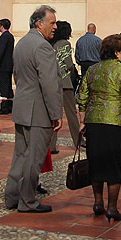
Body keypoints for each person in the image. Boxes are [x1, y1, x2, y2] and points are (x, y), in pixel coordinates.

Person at [77, 34, 121, 221]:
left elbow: (82, 97)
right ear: (117, 53)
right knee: (114, 165)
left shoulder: (92, 69)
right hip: (114, 123)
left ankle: (97, 202)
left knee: (96, 162)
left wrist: (82, 121)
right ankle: (112, 207)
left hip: (94, 122)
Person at [4, 5, 63, 214]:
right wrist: (57, 114)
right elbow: (49, 84)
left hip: (23, 107)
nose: (55, 26)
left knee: (20, 155)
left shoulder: (21, 43)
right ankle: (27, 201)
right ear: (39, 23)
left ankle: (12, 197)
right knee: (33, 159)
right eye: (52, 22)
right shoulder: (42, 46)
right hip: (38, 112)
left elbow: (18, 76)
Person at [49, 21, 81, 152]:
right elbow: (68, 63)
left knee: (55, 115)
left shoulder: (50, 44)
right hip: (65, 82)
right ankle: (79, 140)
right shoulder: (65, 44)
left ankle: (51, 145)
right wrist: (73, 70)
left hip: (52, 82)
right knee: (71, 114)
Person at [0, 18, 15, 115]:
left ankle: (5, 107)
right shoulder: (10, 36)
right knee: (8, 86)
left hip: (4, 66)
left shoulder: (4, 37)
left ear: (2, 26)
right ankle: (10, 104)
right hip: (9, 65)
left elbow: (0, 51)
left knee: (4, 87)